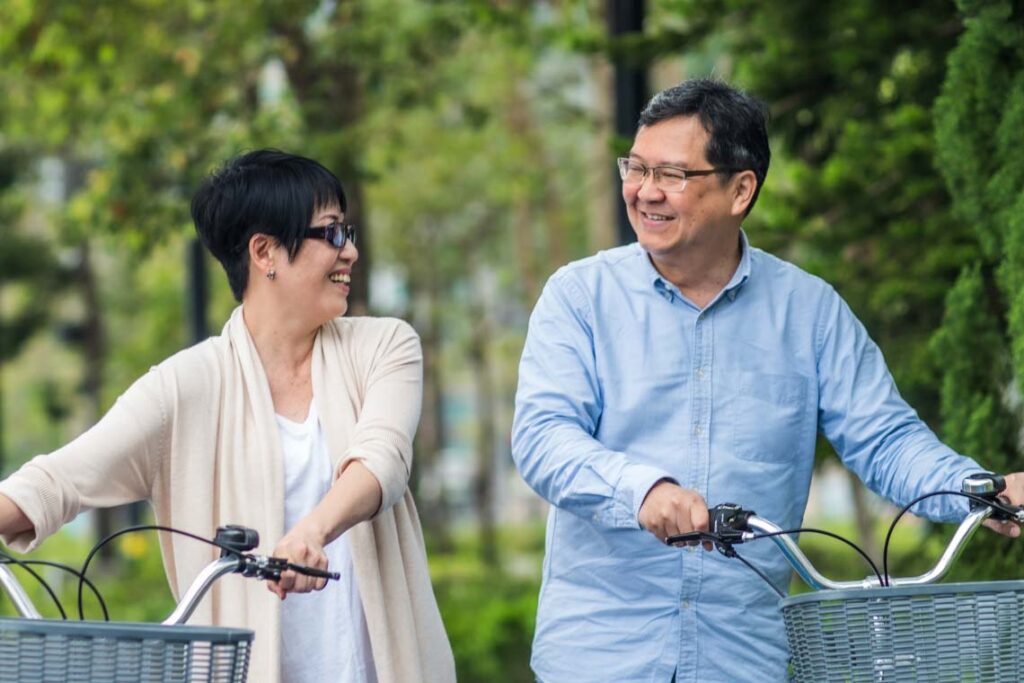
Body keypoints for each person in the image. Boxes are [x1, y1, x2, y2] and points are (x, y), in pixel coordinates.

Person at [510, 78, 1024, 683]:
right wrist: (644, 491)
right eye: (636, 167)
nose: (645, 191)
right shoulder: (579, 297)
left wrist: (977, 489)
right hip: (600, 654)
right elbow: (544, 437)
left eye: (672, 175)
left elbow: (883, 438)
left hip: (741, 656)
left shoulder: (810, 312)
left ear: (740, 189)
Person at [0, 150, 456, 683]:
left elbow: (382, 460)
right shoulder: (183, 386)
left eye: (347, 232)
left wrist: (311, 531)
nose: (350, 251)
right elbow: (57, 480)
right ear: (265, 252)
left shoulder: (385, 346)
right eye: (331, 233)